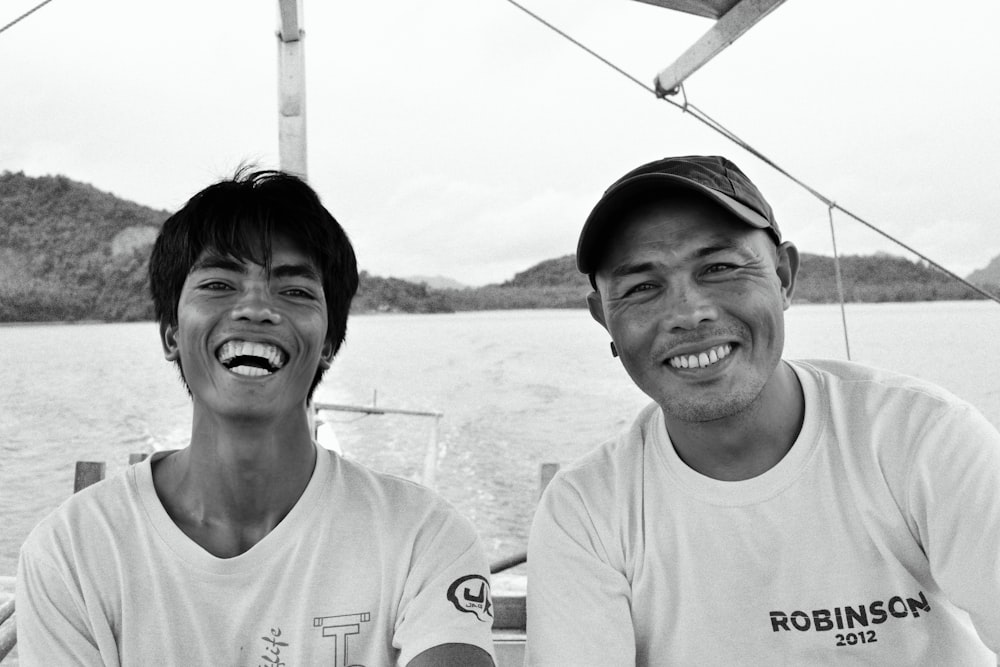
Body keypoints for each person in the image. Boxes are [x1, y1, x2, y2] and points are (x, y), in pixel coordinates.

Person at [526, 155, 1000, 665]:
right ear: (605, 321)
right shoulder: (588, 511)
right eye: (642, 287)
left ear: (783, 277)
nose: (689, 313)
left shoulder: (921, 440)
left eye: (720, 268)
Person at [17, 169, 496, 666]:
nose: (255, 309)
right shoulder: (74, 553)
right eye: (220, 284)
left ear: (329, 343)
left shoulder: (423, 537)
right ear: (171, 334)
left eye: (295, 292)